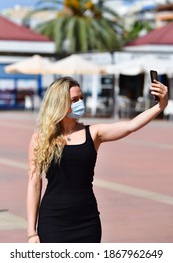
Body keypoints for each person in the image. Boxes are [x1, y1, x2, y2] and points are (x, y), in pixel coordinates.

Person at [27, 76, 168, 243]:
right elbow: (34, 182)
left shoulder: (94, 133)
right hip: (53, 221)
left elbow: (131, 126)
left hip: (87, 221)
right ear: (59, 103)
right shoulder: (41, 138)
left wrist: (161, 105)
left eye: (81, 98)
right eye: (74, 100)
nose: (80, 103)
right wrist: (32, 232)